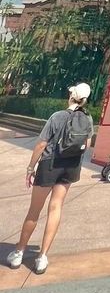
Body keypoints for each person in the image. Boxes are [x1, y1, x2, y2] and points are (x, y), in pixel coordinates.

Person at [6, 82, 93, 275]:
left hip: (49, 165)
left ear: (71, 96)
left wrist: (30, 167)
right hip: (71, 167)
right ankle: (42, 257)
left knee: (34, 211)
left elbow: (41, 145)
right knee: (56, 208)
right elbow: (87, 144)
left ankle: (19, 252)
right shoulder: (88, 118)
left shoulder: (57, 117)